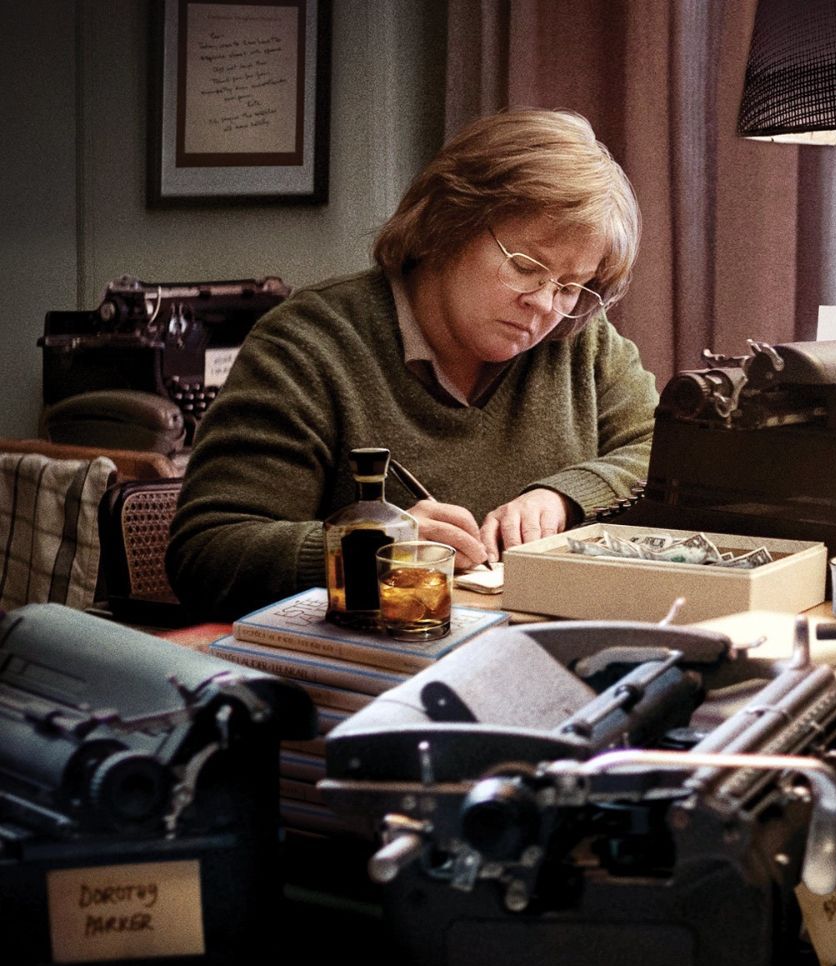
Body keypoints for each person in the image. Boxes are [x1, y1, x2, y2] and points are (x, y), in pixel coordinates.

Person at [168, 108, 657, 619]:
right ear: (447, 224)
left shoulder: (578, 337)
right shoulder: (309, 343)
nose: (545, 304)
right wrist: (367, 548)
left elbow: (664, 453)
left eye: (571, 285)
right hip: (363, 673)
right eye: (526, 267)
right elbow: (207, 554)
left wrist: (564, 497)